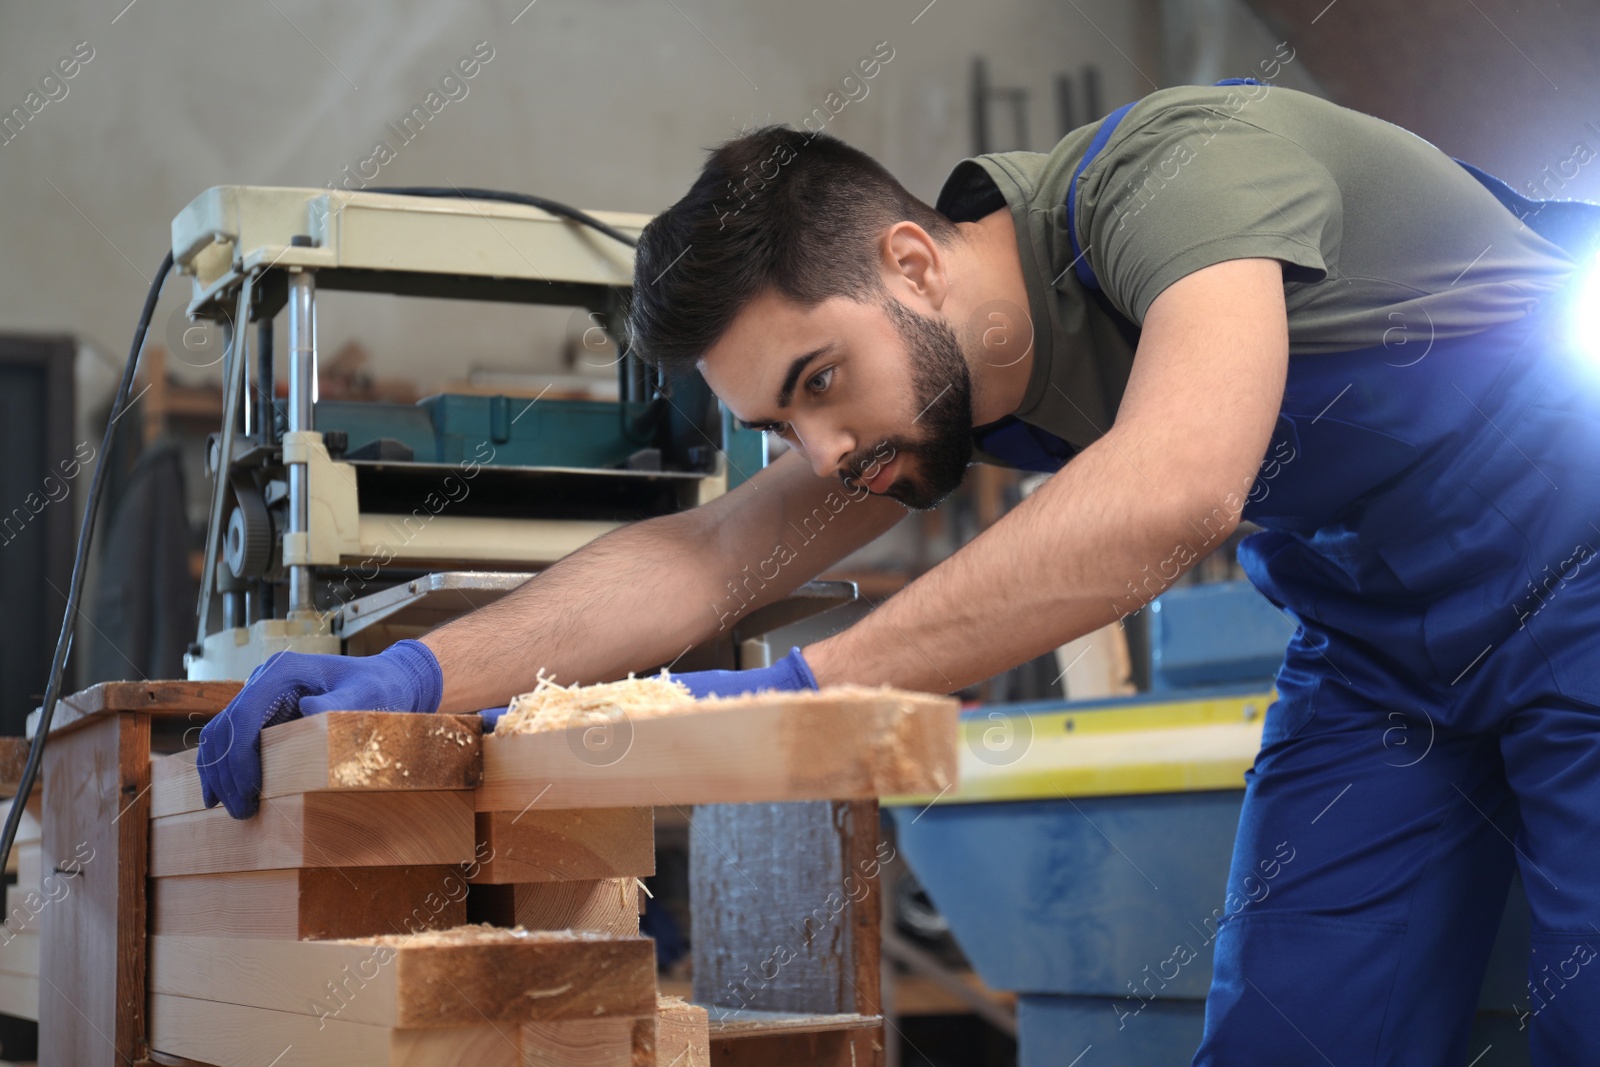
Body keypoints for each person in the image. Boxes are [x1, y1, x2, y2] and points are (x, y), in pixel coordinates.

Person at [198, 81, 1599, 1063]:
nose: (825, 450)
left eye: (821, 380)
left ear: (914, 261)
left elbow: (1174, 491)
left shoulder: (1181, 174)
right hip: (1380, 655)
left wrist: (802, 695)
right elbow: (708, 556)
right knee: (1296, 1039)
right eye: (778, 423)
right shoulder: (941, 390)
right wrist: (422, 672)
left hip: (1583, 581)